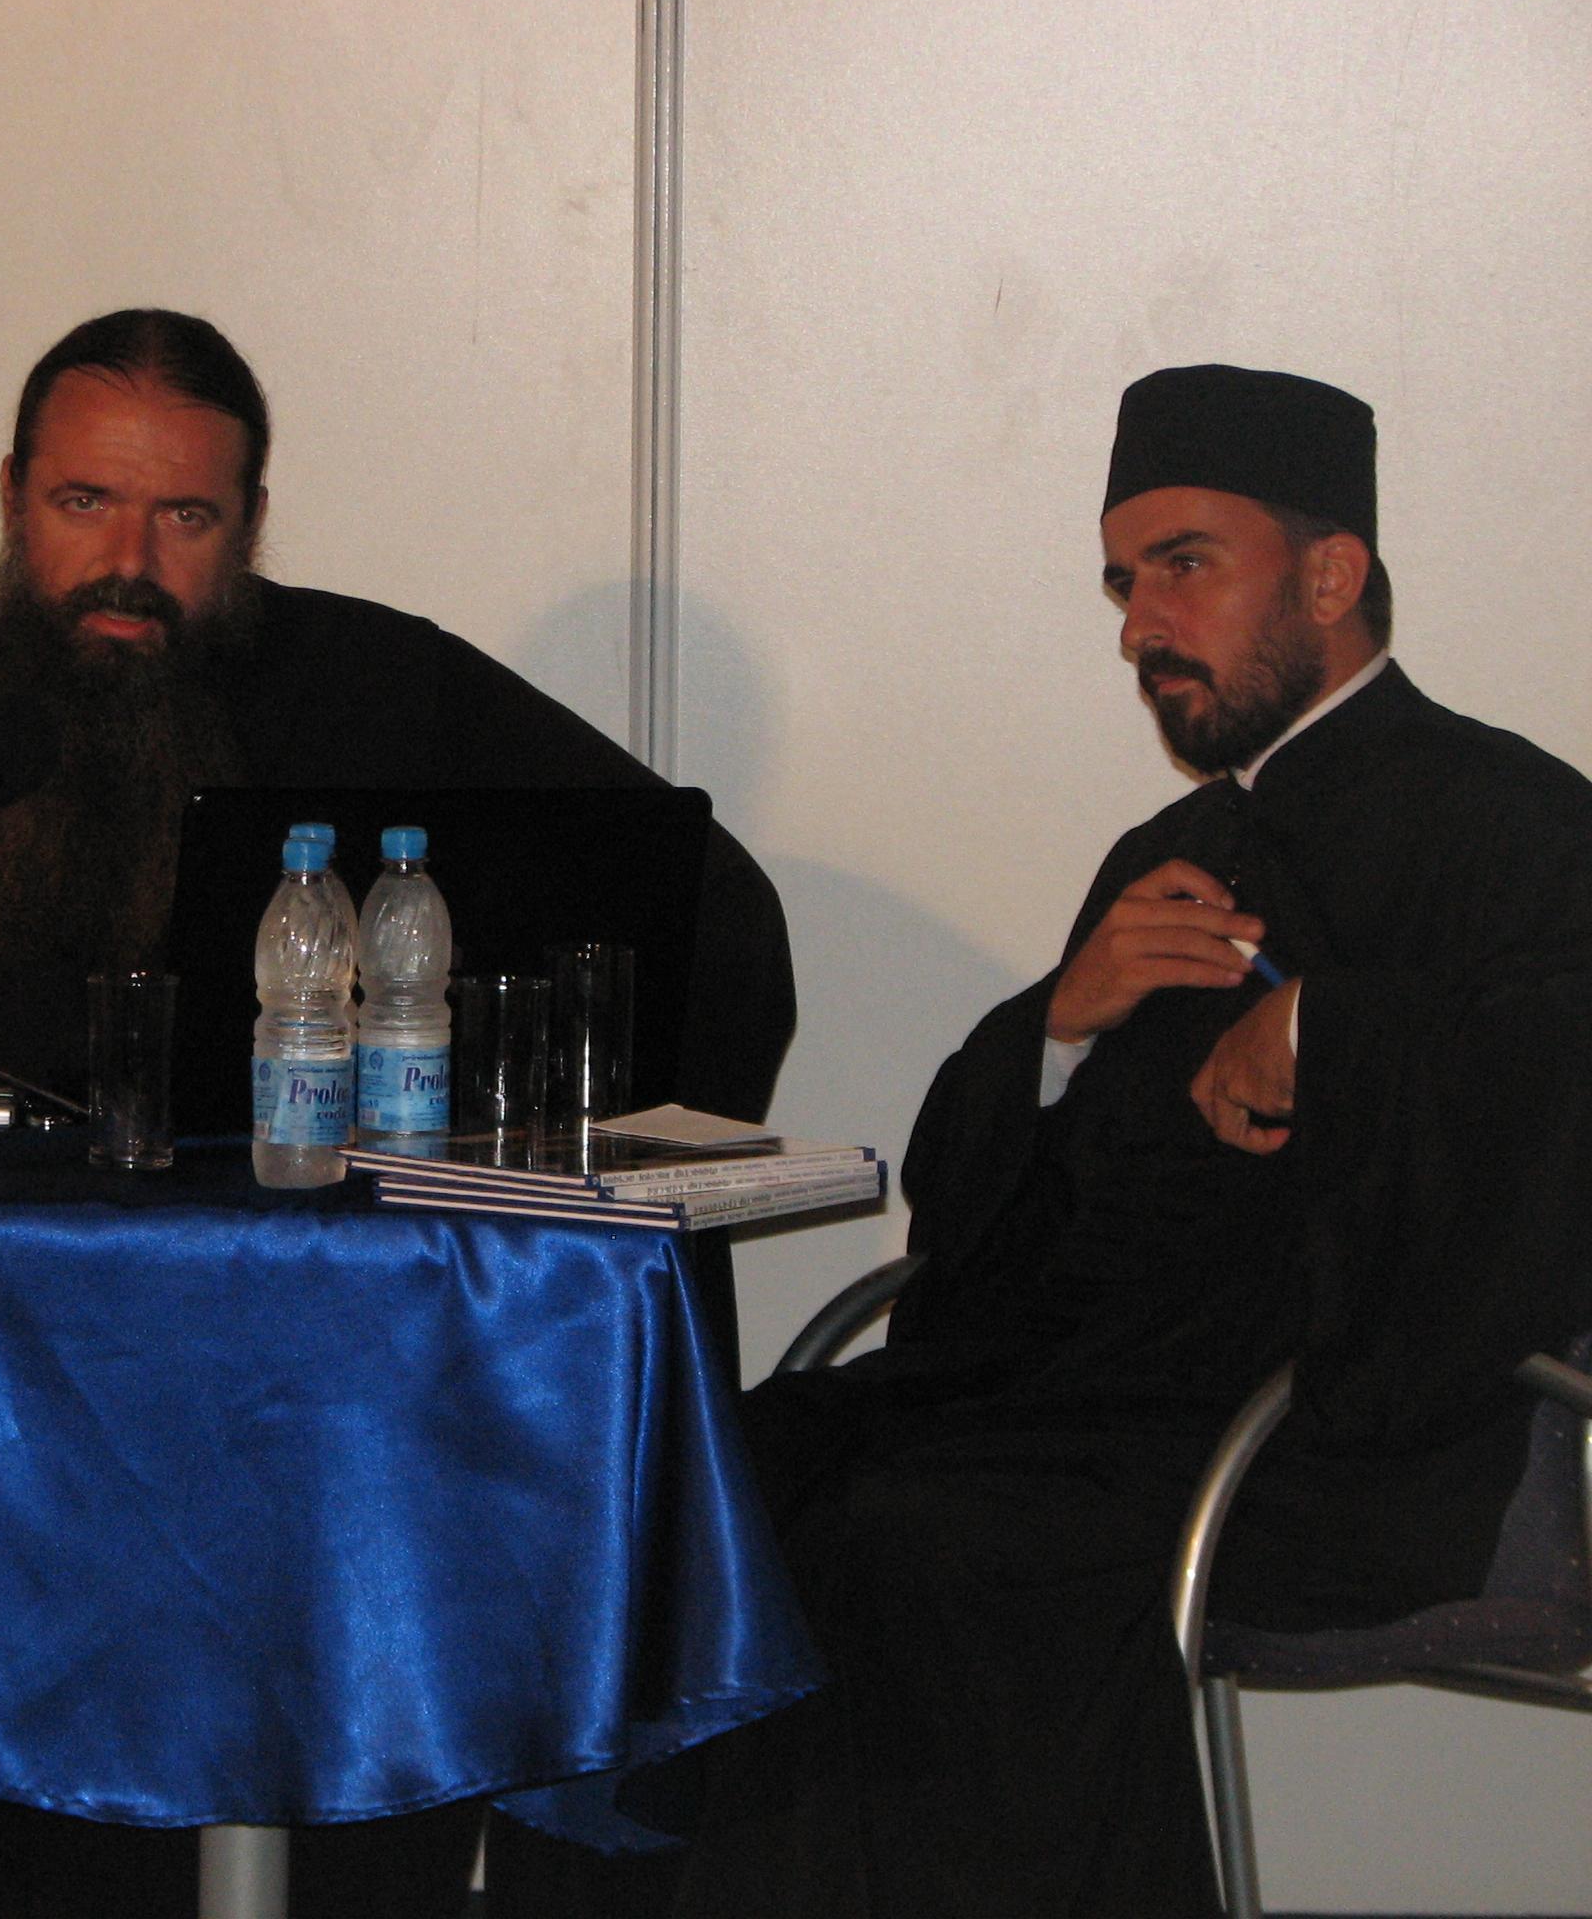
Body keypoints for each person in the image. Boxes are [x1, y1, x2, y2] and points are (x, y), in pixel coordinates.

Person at [0, 308, 797, 1918]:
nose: (129, 564)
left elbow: (710, 920)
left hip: (343, 1423)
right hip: (12, 1415)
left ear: (248, 523)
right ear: (13, 496)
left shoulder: (386, 691)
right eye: (85, 503)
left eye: (185, 516)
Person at [675, 365, 1592, 1917]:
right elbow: (997, 1217)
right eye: (1121, 582)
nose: (1137, 626)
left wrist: (1328, 1033)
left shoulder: (1515, 820)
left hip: (1333, 1439)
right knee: (716, 1474)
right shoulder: (1169, 851)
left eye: (1184, 565)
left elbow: (1559, 1084)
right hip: (1086, 1399)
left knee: (930, 1543)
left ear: (1329, 577)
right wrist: (1057, 1027)